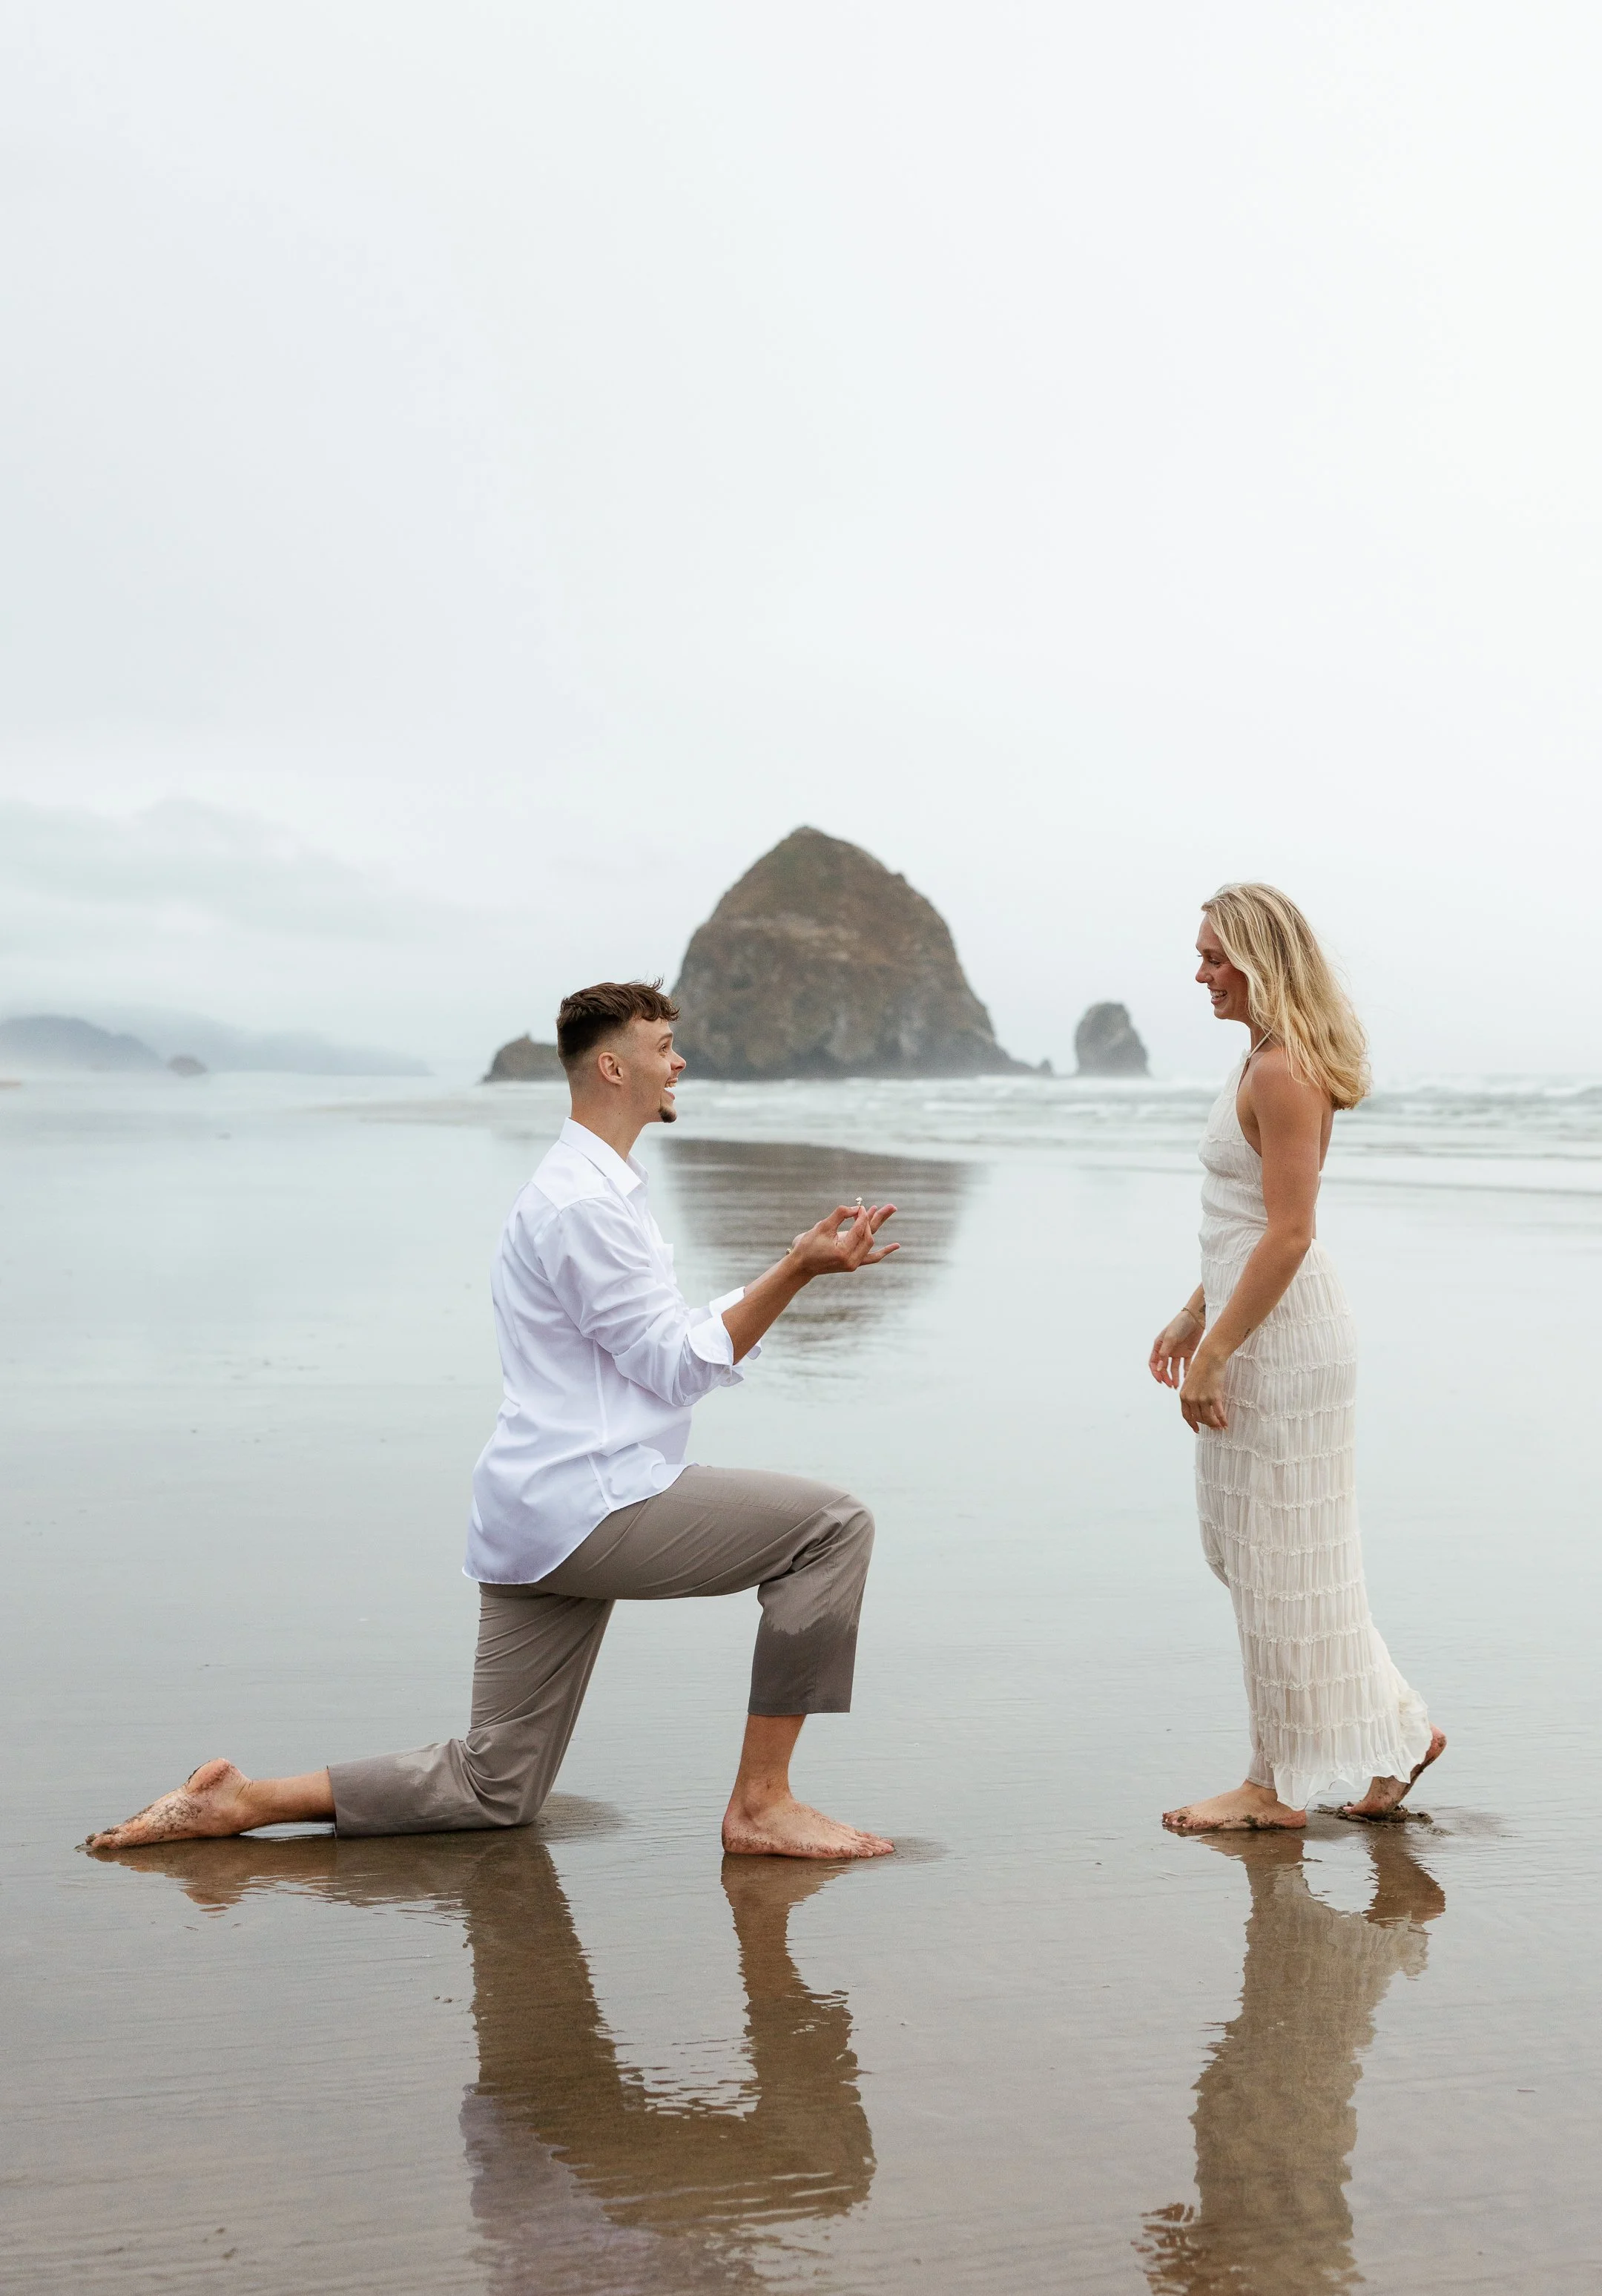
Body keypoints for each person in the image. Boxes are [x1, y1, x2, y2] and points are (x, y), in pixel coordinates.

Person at [86, 980, 897, 1861]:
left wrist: (789, 1267)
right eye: (664, 1047)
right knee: (831, 1528)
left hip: (536, 1512)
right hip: (595, 1502)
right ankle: (763, 1804)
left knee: (495, 1785)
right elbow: (674, 1365)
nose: (680, 1062)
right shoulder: (584, 1204)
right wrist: (796, 1270)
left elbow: (660, 1340)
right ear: (613, 1066)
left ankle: (238, 1800)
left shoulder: (587, 1189)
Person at [1148, 886, 1445, 1832]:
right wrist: (1193, 1313)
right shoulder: (1262, 1057)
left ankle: (1271, 1787)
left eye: (1214, 956)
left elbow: (1290, 1232)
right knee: (1258, 1553)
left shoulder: (1284, 1070)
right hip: (1254, 1321)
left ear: (1259, 960)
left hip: (1284, 1340)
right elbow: (1244, 1221)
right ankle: (1400, 1731)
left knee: (1279, 1559)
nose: (1200, 973)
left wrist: (1218, 1349)